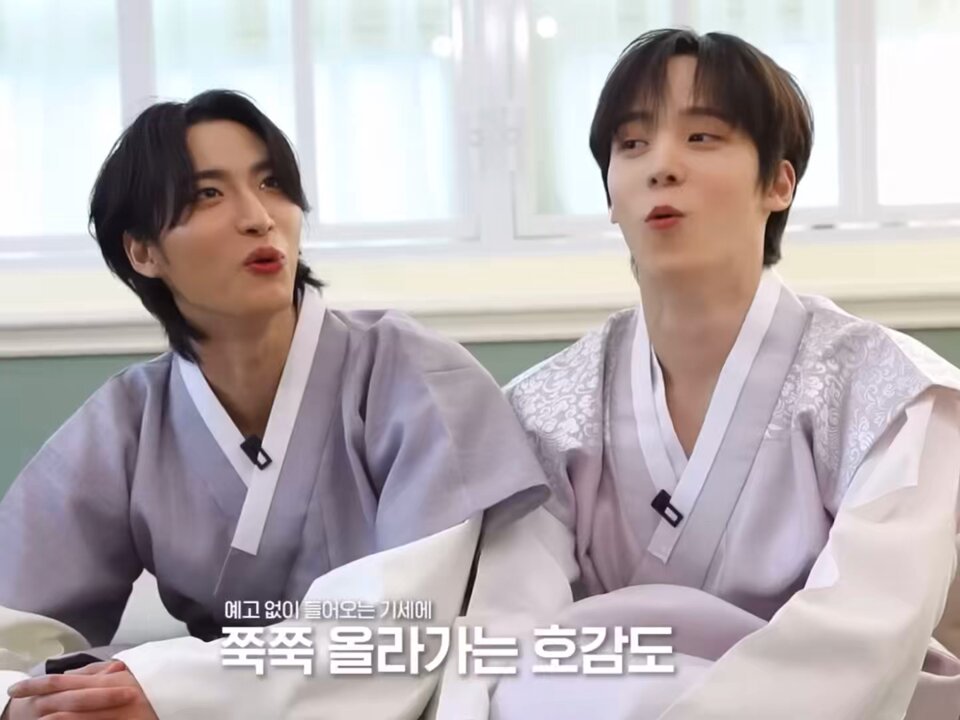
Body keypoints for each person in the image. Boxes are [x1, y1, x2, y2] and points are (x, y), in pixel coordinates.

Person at [458, 28, 960, 719]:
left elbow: (865, 638)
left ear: (778, 183)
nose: (661, 166)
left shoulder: (894, 395)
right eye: (632, 144)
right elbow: (506, 633)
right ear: (611, 195)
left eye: (701, 137)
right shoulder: (542, 412)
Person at [0, 90, 551, 720]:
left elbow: (402, 633)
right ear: (143, 251)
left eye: (272, 185)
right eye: (209, 194)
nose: (259, 217)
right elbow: (12, 628)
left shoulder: (417, 377)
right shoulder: (126, 424)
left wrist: (172, 691)